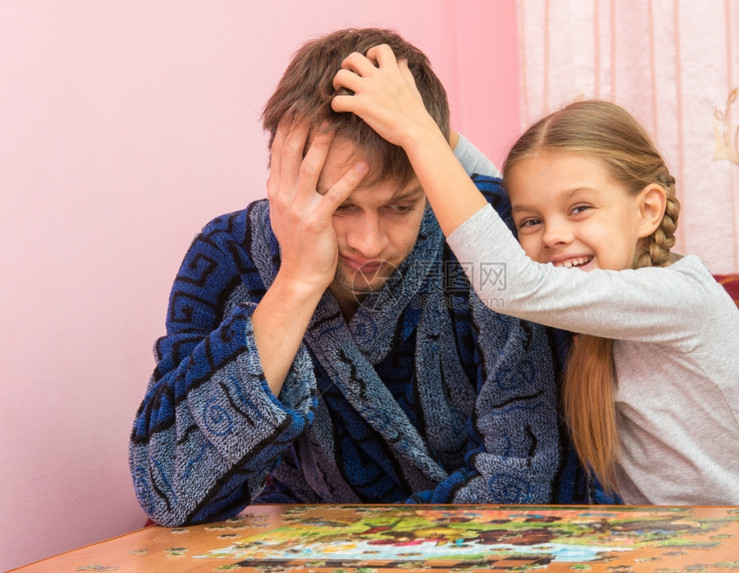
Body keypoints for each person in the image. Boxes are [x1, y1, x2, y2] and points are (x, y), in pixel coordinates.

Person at [129, 28, 598, 527]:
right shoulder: (227, 255)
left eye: (400, 206)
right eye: (341, 206)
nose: (369, 243)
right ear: (283, 177)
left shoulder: (489, 234)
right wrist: (296, 282)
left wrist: (361, 545)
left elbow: (533, 480)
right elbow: (172, 492)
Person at [332, 44, 739, 506]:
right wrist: (432, 125)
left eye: (580, 208)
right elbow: (496, 204)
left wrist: (418, 132)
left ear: (647, 210)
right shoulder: (585, 296)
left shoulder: (679, 298)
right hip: (668, 550)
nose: (554, 235)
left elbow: (508, 283)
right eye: (531, 222)